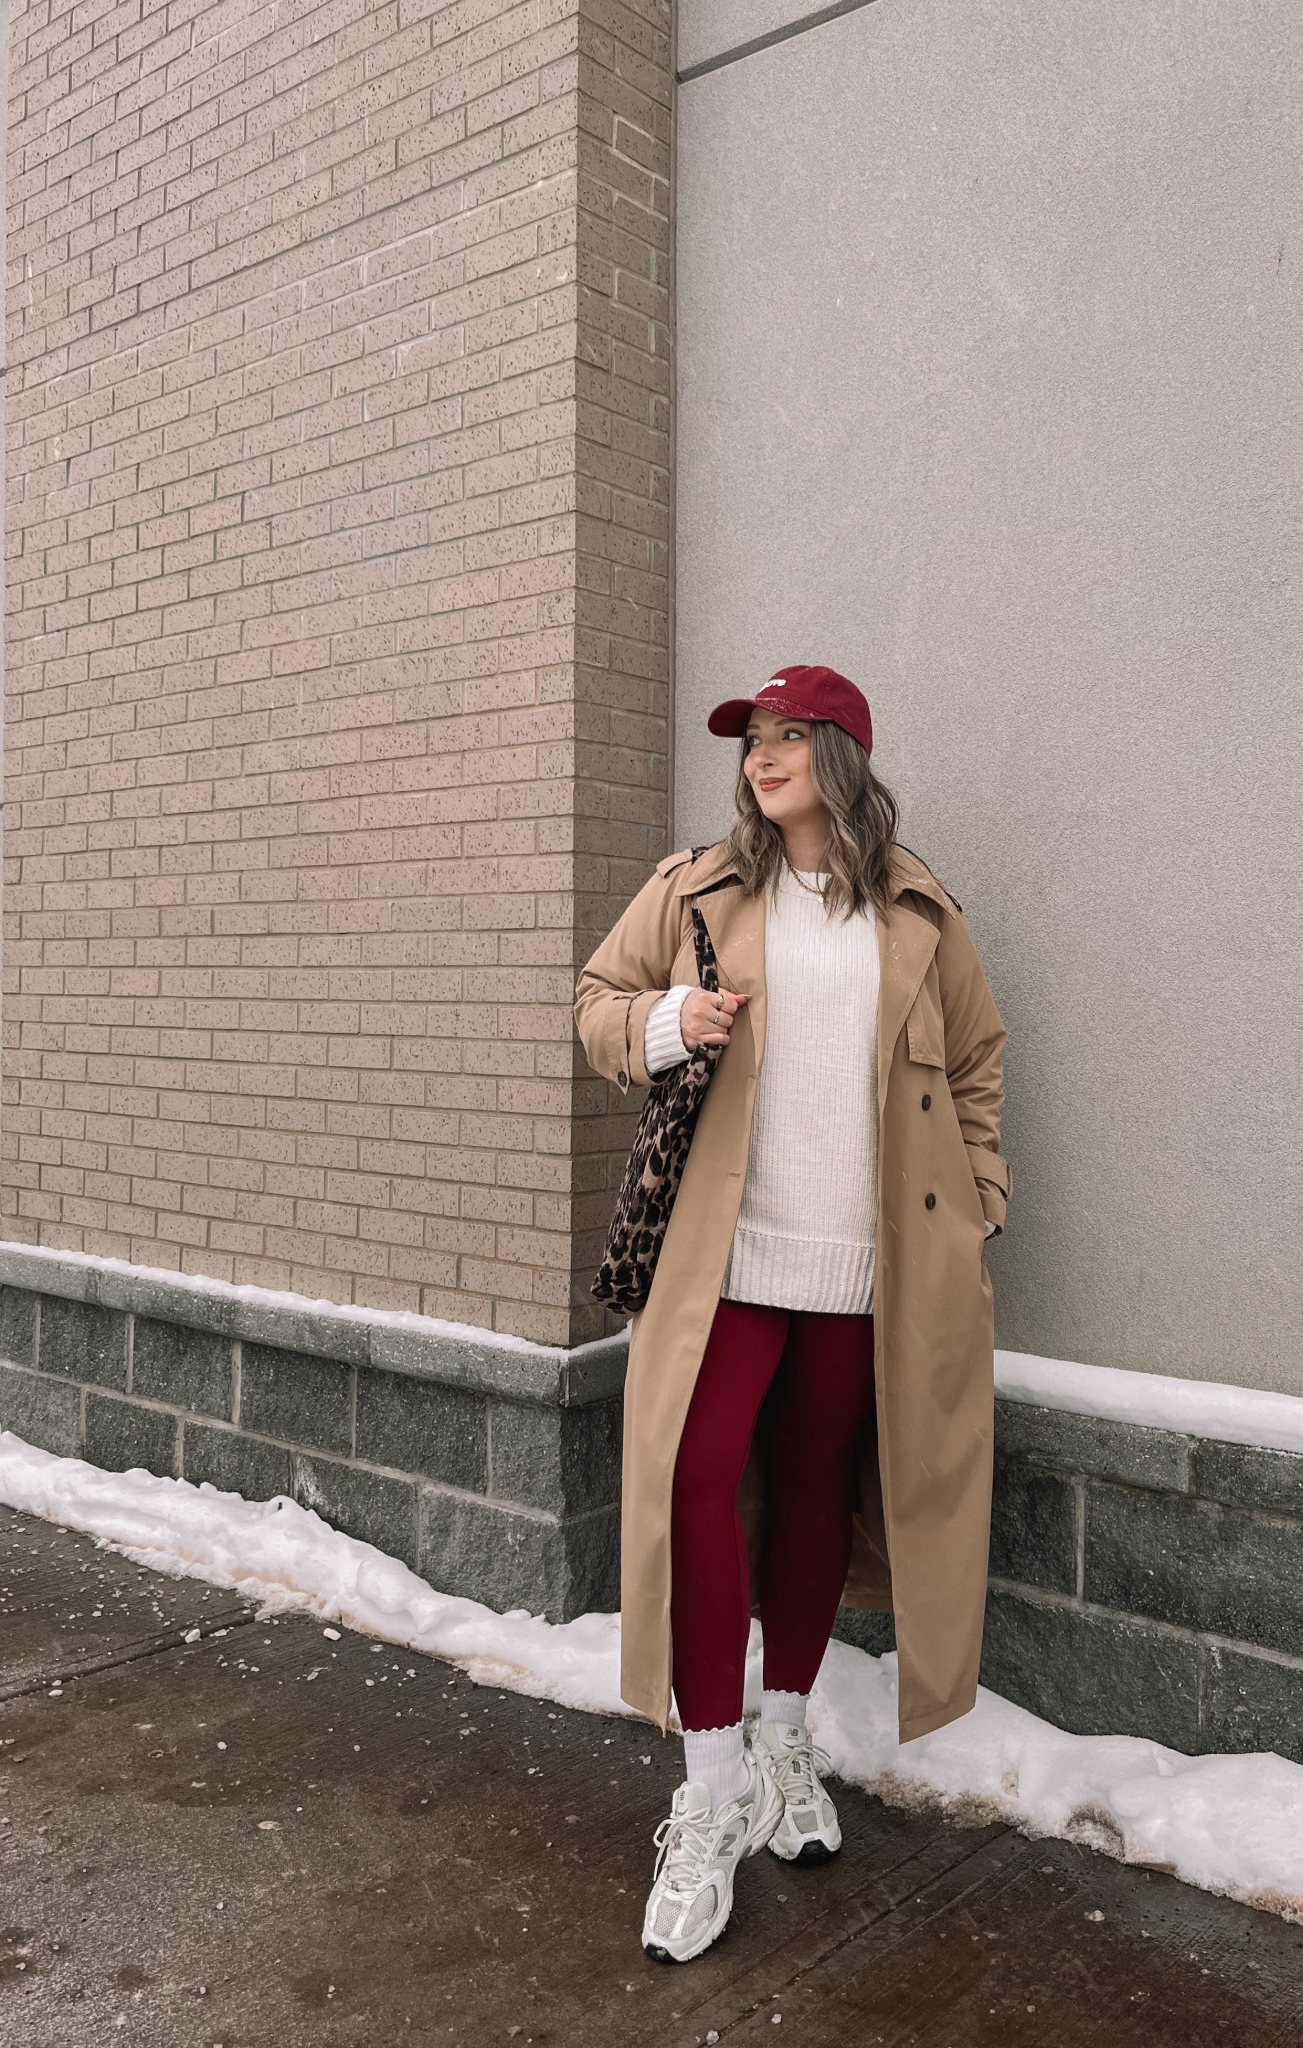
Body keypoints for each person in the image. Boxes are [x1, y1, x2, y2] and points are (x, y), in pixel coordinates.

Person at [573, 664, 1010, 1964]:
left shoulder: (918, 912)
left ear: (843, 756)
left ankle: (782, 1741)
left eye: (786, 738)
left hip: (867, 1267)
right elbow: (593, 1003)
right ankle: (706, 1795)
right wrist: (664, 1023)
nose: (762, 758)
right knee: (698, 1479)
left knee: (820, 1491)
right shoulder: (700, 885)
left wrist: (976, 1197)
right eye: (752, 740)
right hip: (734, 1257)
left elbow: (979, 1059)